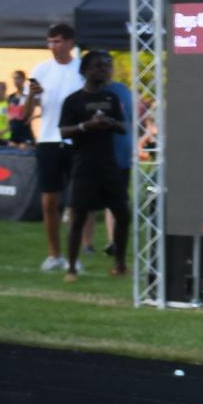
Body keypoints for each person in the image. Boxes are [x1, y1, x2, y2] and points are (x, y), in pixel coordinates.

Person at [58, 51, 129, 283]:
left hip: (109, 165)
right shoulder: (73, 100)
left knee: (123, 213)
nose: (104, 70)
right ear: (86, 70)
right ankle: (71, 267)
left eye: (107, 66)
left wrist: (109, 122)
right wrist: (87, 126)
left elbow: (123, 127)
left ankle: (119, 263)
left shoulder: (110, 98)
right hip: (84, 165)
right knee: (78, 216)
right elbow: (64, 131)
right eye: (99, 66)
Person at [24, 24, 85, 270]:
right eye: (50, 42)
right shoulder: (41, 69)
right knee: (49, 202)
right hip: (48, 140)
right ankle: (53, 254)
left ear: (70, 43)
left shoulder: (81, 69)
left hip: (77, 141)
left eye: (58, 41)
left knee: (78, 203)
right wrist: (31, 95)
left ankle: (74, 256)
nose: (53, 46)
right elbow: (26, 115)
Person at [103, 71, 134, 260]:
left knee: (118, 200)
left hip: (120, 152)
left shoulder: (121, 90)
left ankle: (116, 242)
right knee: (111, 200)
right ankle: (112, 241)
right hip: (106, 152)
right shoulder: (95, 91)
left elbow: (128, 120)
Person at [7, 70, 34, 146]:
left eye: (18, 78)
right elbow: (8, 115)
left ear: (24, 79)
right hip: (13, 133)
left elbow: (26, 113)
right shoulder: (11, 97)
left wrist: (29, 96)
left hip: (24, 133)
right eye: (14, 78)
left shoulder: (28, 96)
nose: (16, 81)